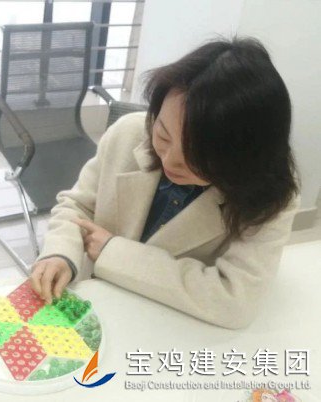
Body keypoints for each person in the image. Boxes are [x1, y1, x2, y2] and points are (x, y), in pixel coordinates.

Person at [29, 37, 299, 329]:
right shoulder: (130, 132)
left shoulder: (271, 195)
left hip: (168, 324)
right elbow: (77, 205)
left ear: (244, 156)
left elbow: (235, 301)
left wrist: (112, 252)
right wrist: (60, 253)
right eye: (163, 135)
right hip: (94, 302)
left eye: (197, 158)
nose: (170, 161)